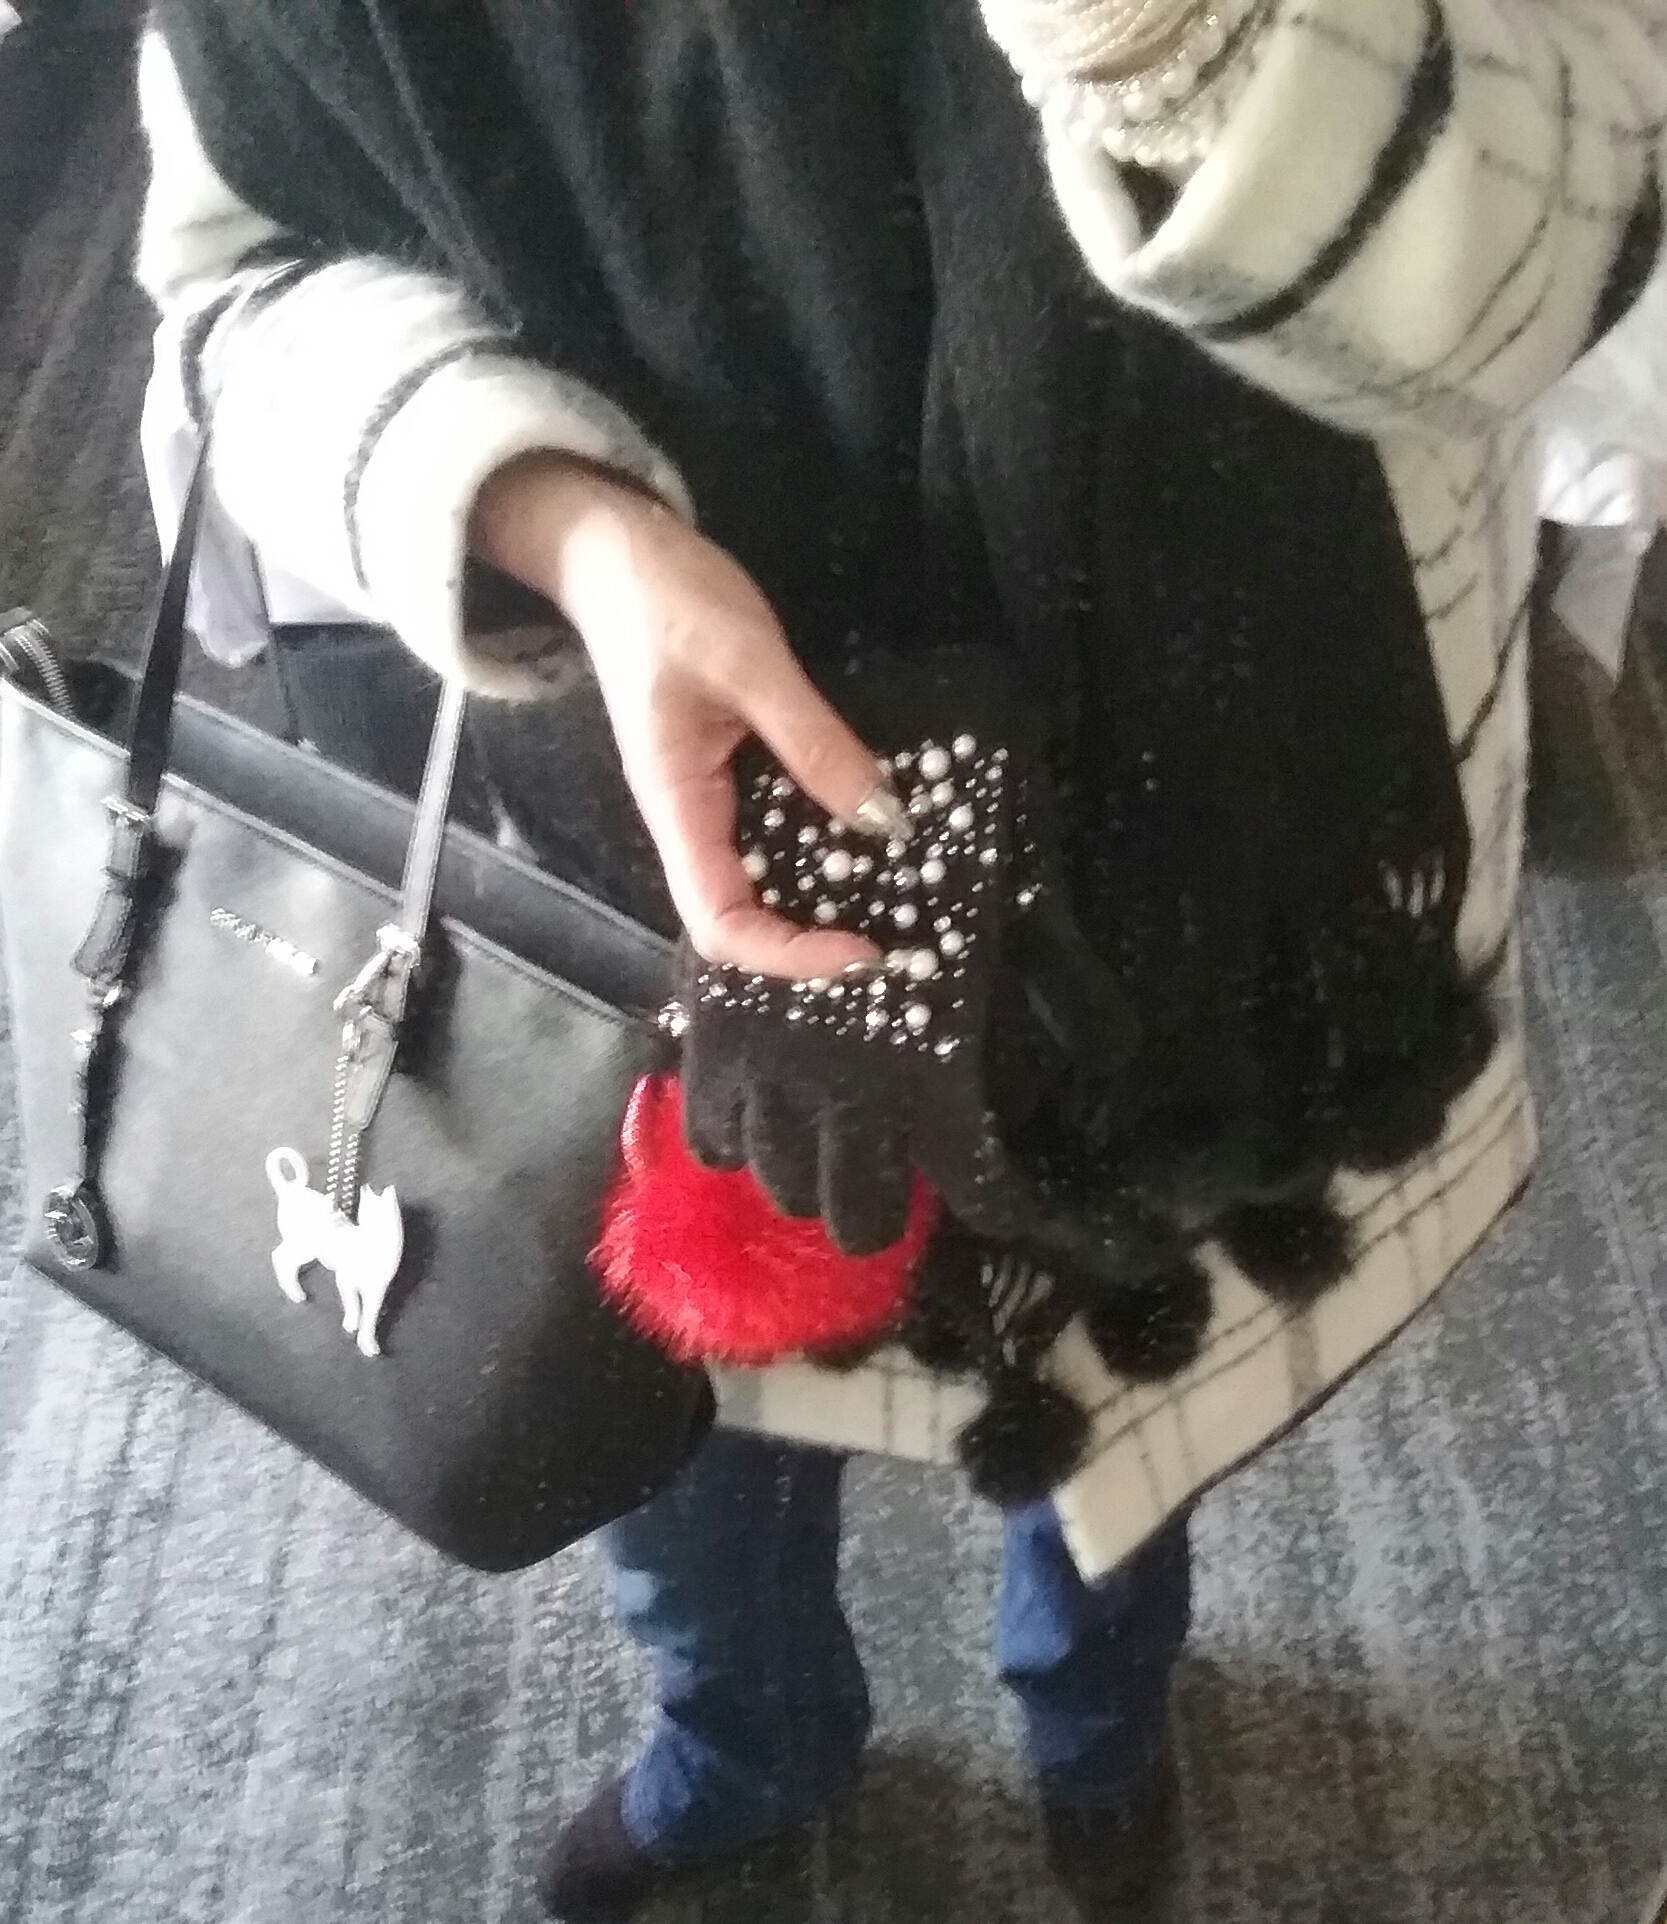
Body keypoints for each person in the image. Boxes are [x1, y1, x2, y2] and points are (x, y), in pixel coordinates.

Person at [134, 3, 1666, 1919]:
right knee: (681, 1398)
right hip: (622, 819)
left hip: (1199, 828)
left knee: (1122, 1355)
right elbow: (237, 278)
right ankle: (749, 1744)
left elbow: (1563, 237)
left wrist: (1158, 37)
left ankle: (1097, 1729)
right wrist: (556, 520)